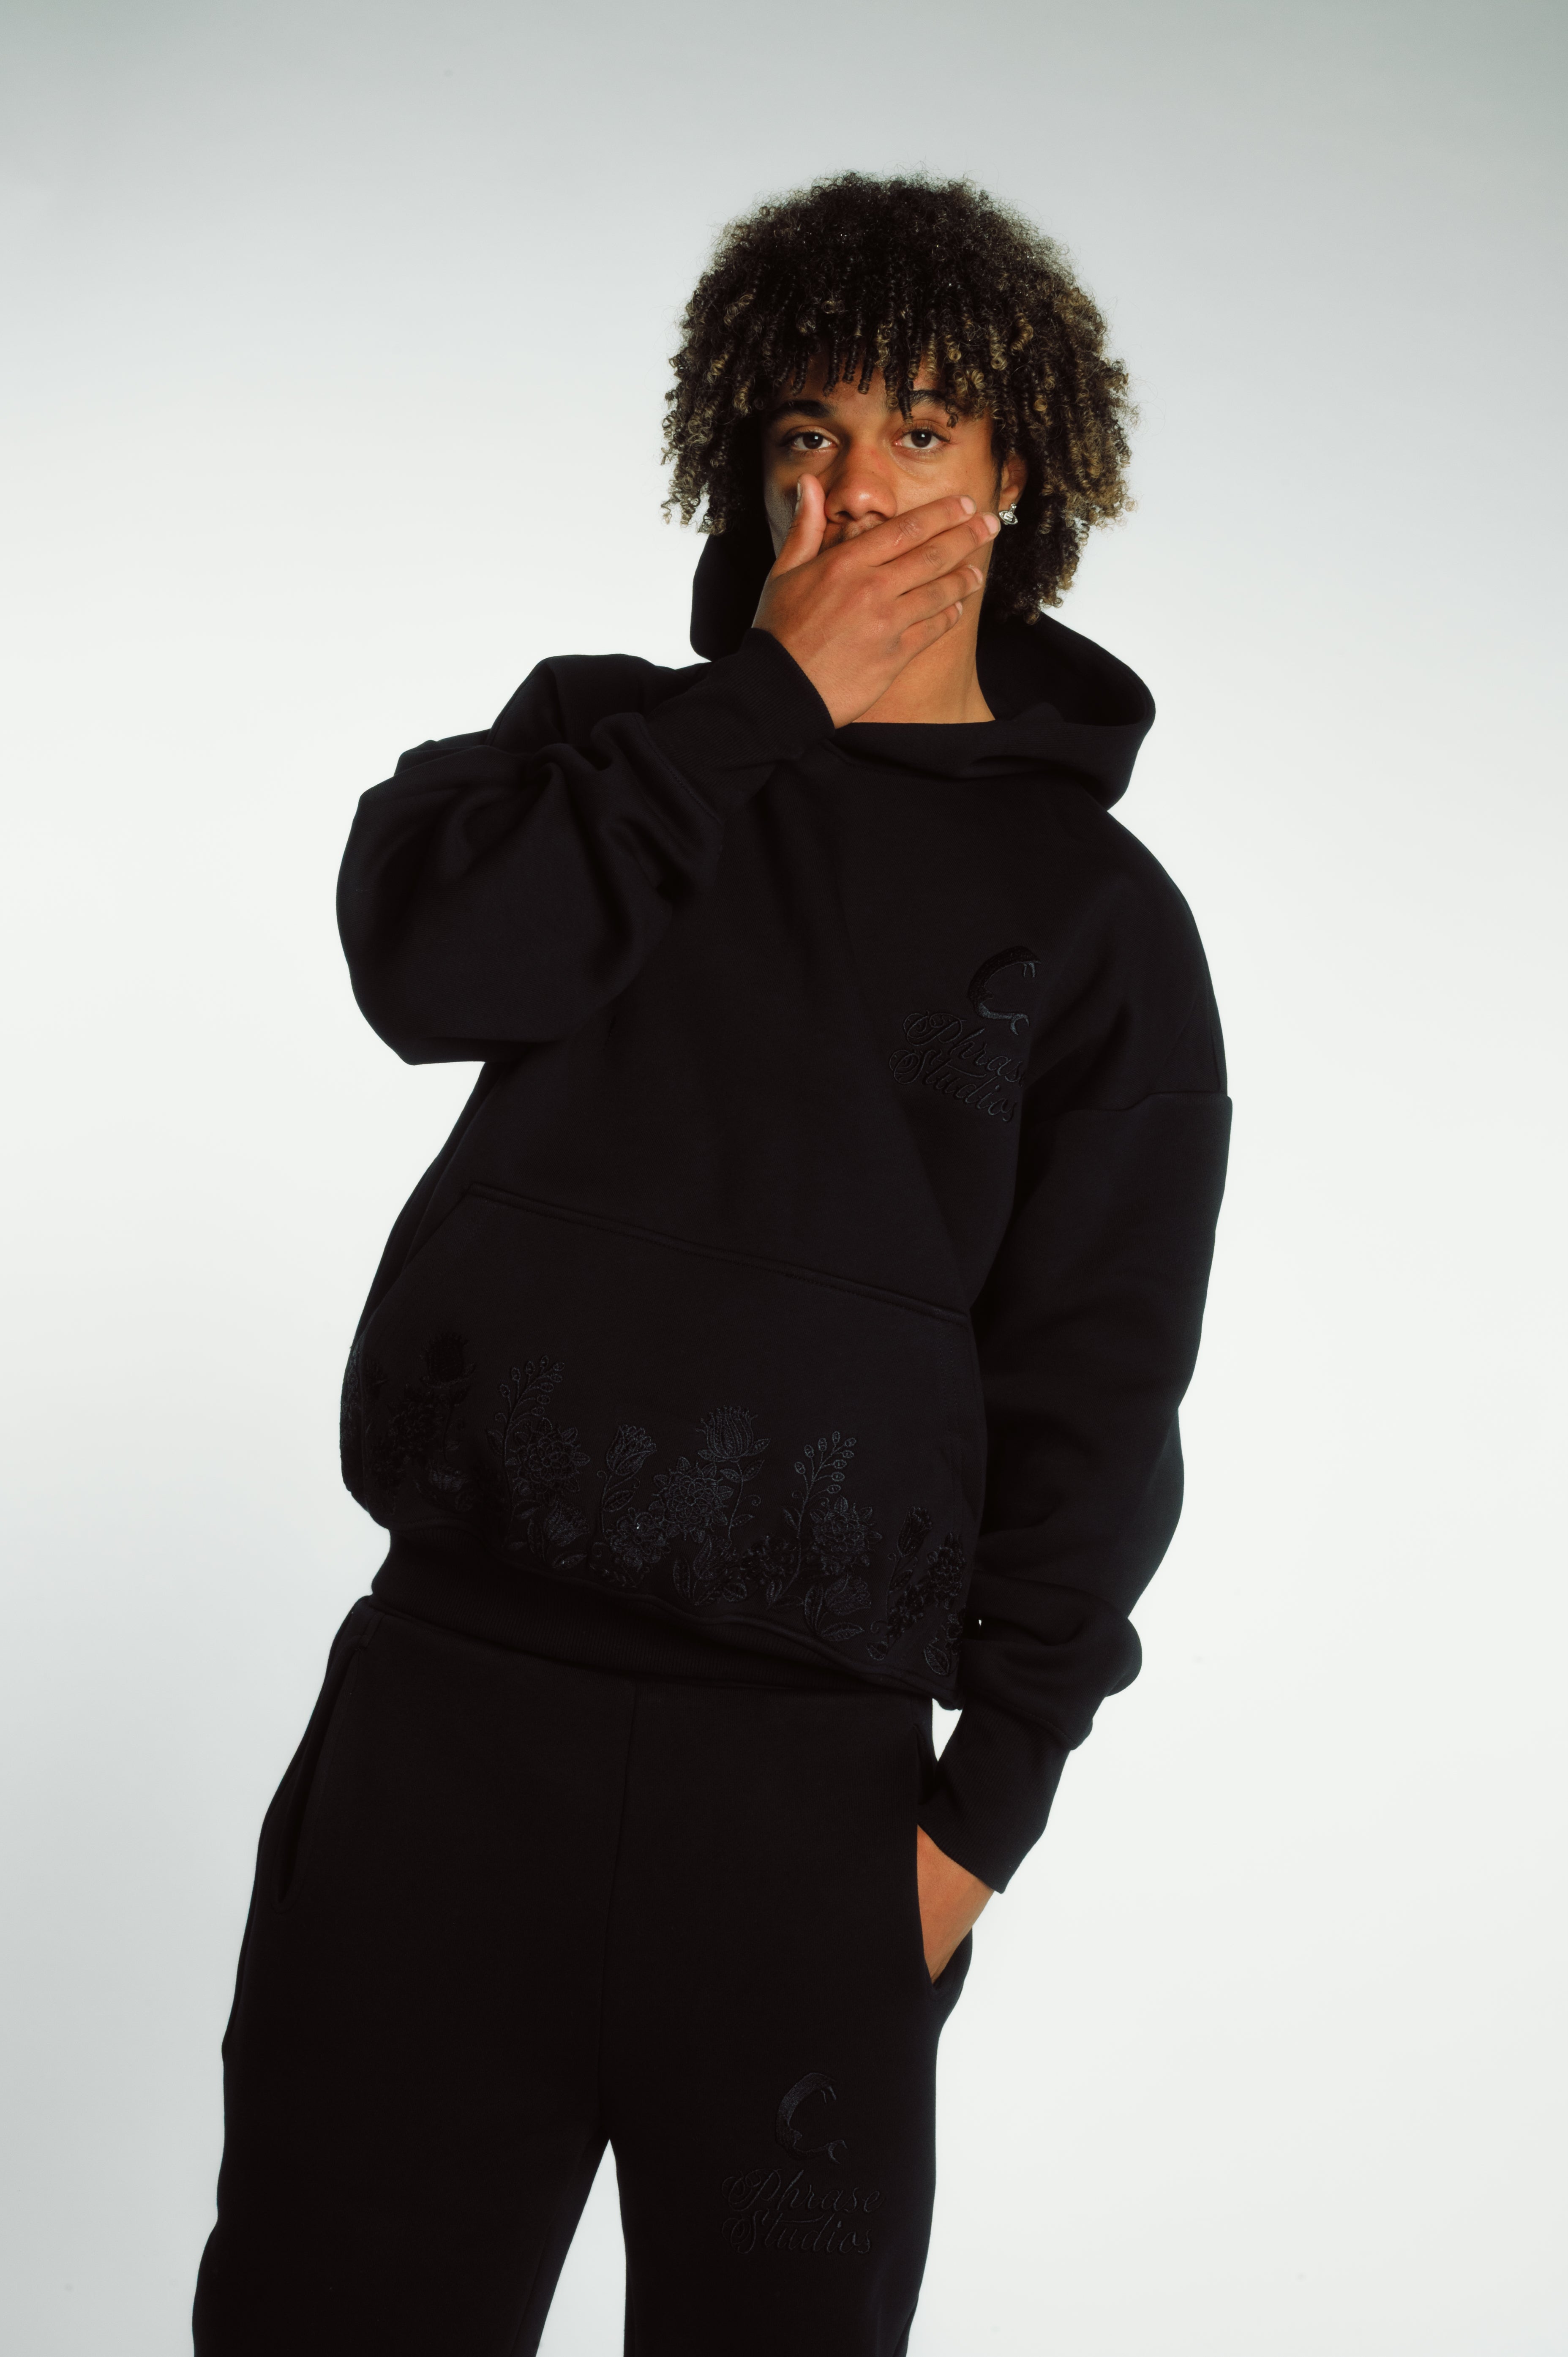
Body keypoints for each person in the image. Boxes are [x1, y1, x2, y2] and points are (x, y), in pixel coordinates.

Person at [194, 171, 1230, 2355]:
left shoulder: (1100, 921)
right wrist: (762, 702)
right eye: (804, 437)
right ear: (743, 473)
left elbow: (1099, 1392)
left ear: (1019, 476)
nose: (854, 491)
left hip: (810, 1809)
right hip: (445, 1738)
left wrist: (975, 1826)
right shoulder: (603, 752)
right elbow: (427, 968)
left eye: (920, 431)